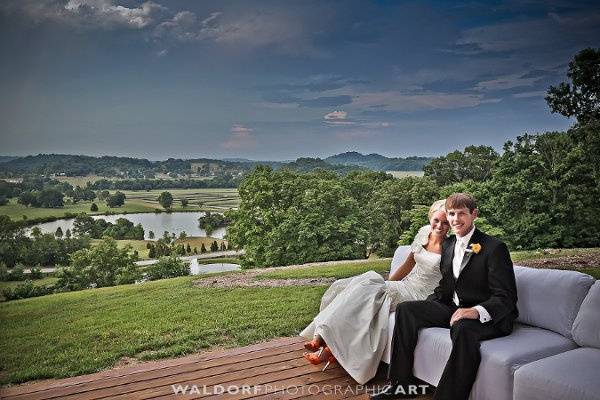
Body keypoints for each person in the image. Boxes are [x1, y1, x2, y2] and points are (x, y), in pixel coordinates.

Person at [371, 193, 518, 400]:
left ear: (474, 214)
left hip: (490, 317)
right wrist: (428, 305)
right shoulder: (448, 246)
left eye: (462, 213)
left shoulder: (494, 248)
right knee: (407, 310)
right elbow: (446, 285)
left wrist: (475, 311)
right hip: (454, 308)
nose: (456, 219)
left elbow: (506, 297)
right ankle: (401, 384)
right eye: (451, 214)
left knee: (463, 327)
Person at [300, 199, 450, 385]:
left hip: (419, 295)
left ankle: (323, 342)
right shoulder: (423, 233)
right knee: (346, 285)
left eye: (445, 222)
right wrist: (389, 283)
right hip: (405, 284)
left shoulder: (450, 248)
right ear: (430, 217)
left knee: (368, 288)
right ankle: (327, 345)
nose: (440, 226)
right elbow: (408, 264)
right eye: (437, 220)